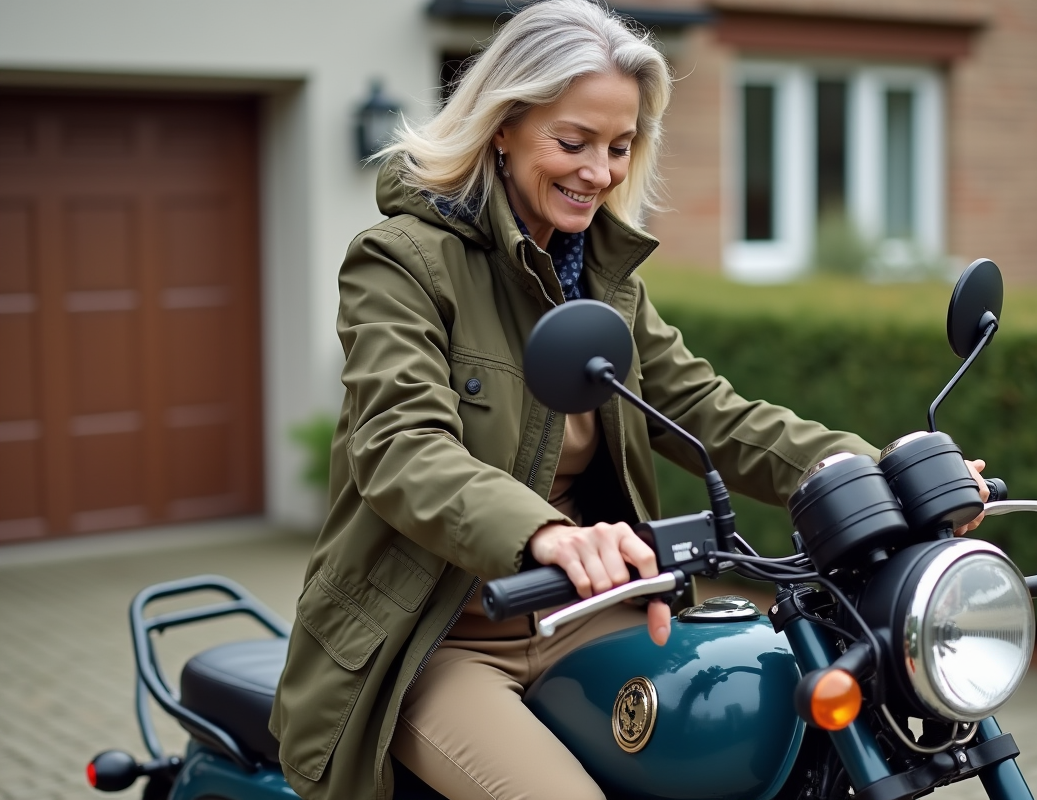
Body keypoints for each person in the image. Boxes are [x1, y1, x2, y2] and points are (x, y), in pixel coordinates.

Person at [269, 1, 989, 798]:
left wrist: (871, 470)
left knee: (764, 732)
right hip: (437, 636)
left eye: (620, 146)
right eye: (572, 142)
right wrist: (543, 532)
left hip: (590, 612)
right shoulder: (402, 261)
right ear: (502, 126)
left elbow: (708, 411)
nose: (600, 171)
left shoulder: (603, 283)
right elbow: (400, 447)